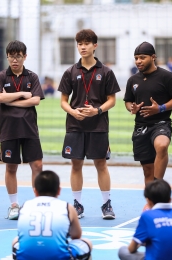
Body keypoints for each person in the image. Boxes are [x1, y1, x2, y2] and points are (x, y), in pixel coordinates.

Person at [58, 29, 120, 219]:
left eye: (86, 43)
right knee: (76, 164)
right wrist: (73, 112)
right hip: (75, 125)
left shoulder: (106, 72)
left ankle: (106, 205)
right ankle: (77, 204)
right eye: (80, 43)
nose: (82, 47)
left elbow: (112, 100)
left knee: (101, 164)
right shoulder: (70, 72)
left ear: (95, 45)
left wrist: (97, 110)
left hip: (98, 124)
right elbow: (63, 101)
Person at [0, 40, 44, 220]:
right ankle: (14, 205)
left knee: (37, 165)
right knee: (11, 167)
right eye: (11, 56)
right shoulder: (1, 76)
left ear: (24, 56)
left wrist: (10, 100)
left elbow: (36, 100)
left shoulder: (32, 77)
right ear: (7, 57)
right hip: (8, 129)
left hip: (29, 128)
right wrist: (22, 94)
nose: (15, 60)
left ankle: (38, 203)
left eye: (18, 56)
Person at [124, 42, 172, 188]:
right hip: (141, 126)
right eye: (136, 58)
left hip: (161, 123)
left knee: (162, 145)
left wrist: (161, 108)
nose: (138, 61)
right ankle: (150, 202)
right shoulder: (133, 80)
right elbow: (128, 101)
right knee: (147, 171)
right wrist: (132, 108)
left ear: (153, 57)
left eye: (142, 57)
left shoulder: (167, 76)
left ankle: (158, 185)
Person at [12, 170, 92, 260]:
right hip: (59, 257)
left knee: (15, 241)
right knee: (87, 242)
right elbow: (76, 235)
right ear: (59, 190)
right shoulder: (67, 207)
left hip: (27, 257)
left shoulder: (25, 206)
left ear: (35, 191)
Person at [118, 179, 172, 260]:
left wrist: (144, 243)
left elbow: (131, 249)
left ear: (148, 201)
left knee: (123, 251)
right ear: (170, 199)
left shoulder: (147, 216)